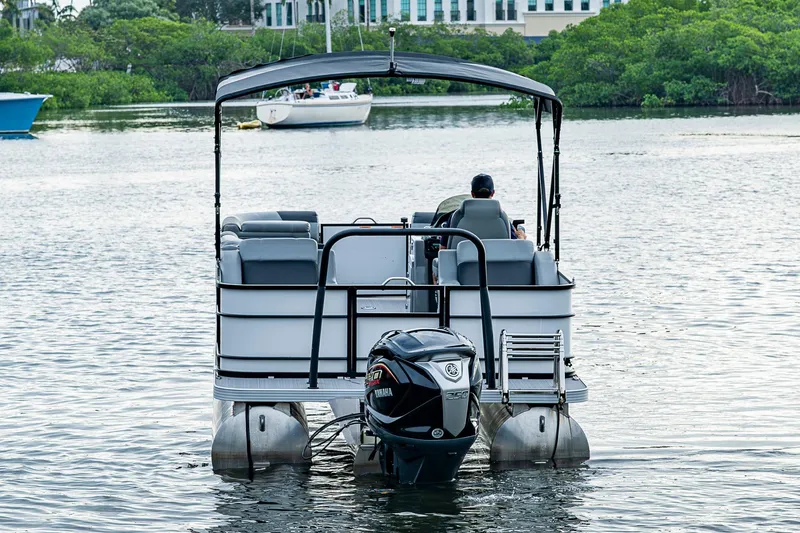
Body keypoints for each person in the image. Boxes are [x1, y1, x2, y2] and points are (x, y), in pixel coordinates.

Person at [441, 174, 526, 249]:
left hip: (461, 266)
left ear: (472, 194)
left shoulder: (457, 217)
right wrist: (521, 236)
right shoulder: (502, 217)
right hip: (497, 266)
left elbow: (443, 249)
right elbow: (516, 248)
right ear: (493, 193)